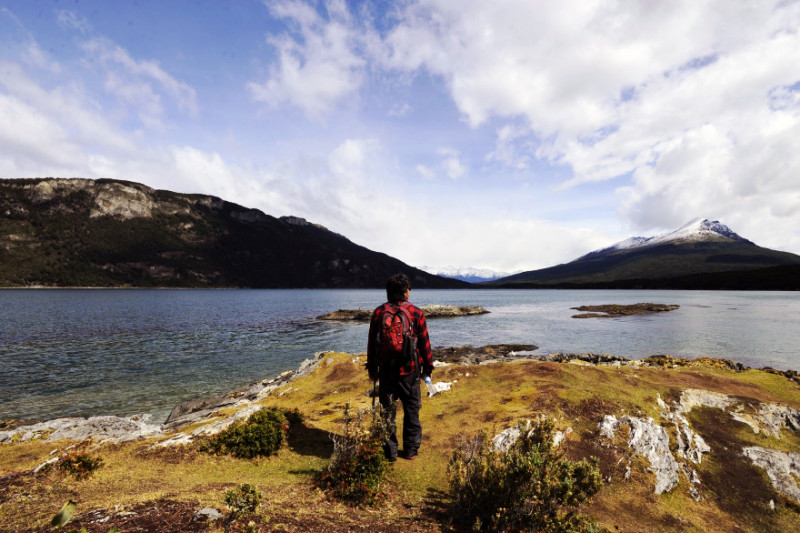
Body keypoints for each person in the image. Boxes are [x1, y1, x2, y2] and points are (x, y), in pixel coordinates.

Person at [367, 273, 433, 461]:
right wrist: (428, 368)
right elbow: (424, 344)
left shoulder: (379, 313)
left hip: (386, 370)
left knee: (387, 413)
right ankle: (411, 451)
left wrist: (372, 369)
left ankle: (390, 452)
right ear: (405, 293)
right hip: (410, 371)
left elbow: (372, 343)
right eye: (408, 290)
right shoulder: (416, 312)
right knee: (411, 410)